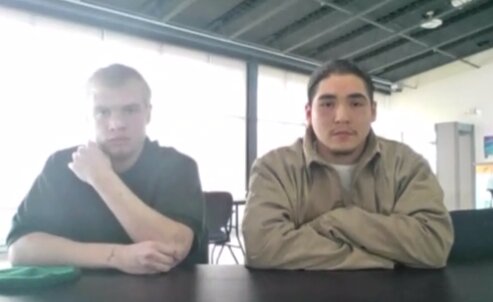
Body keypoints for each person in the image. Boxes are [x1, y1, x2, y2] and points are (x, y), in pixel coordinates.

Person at [242, 60, 454, 270]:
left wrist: (337, 221)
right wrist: (381, 259)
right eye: (327, 104)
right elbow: (261, 247)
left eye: (355, 104)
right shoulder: (274, 168)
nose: (342, 117)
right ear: (308, 113)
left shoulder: (407, 164)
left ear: (373, 111)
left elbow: (433, 244)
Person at [7, 64, 206, 274]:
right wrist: (116, 256)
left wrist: (101, 178)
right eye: (102, 112)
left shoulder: (177, 166)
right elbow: (19, 250)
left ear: (148, 113)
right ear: (87, 116)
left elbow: (173, 247)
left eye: (130, 110)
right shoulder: (61, 164)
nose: (116, 124)